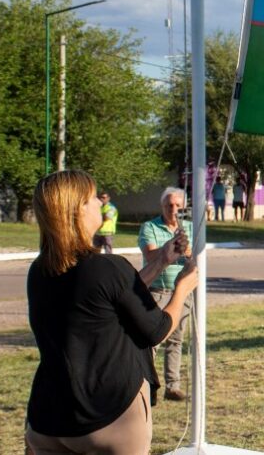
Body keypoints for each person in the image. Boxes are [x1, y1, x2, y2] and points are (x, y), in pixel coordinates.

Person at [24, 170, 198, 454]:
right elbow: (157, 330)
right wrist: (183, 288)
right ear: (77, 208)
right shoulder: (106, 267)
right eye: (93, 197)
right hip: (108, 418)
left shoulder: (40, 270)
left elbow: (106, 299)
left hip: (48, 420)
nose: (100, 204)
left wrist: (162, 261)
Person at [138, 186, 195, 402]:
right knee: (152, 341)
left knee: (176, 339)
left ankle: (173, 385)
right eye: (169, 205)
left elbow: (196, 256)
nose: (173, 209)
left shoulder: (189, 226)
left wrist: (187, 249)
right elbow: (150, 254)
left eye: (177, 206)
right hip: (157, 292)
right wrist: (171, 248)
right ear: (162, 206)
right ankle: (147, 385)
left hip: (181, 292)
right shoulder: (150, 227)